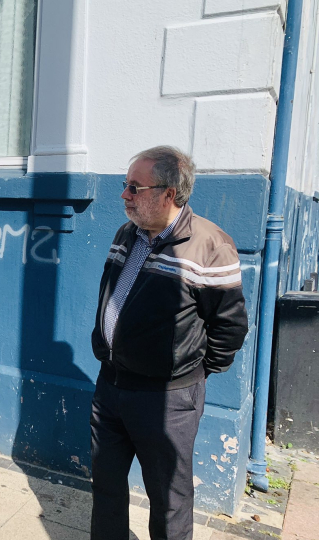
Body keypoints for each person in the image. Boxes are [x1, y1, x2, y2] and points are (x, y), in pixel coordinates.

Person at [89, 146, 249, 540]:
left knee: (169, 500)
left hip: (167, 399)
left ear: (169, 194)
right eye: (124, 185)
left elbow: (229, 329)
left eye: (134, 187)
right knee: (106, 488)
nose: (124, 195)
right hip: (110, 385)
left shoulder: (210, 246)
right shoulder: (127, 232)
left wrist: (187, 370)